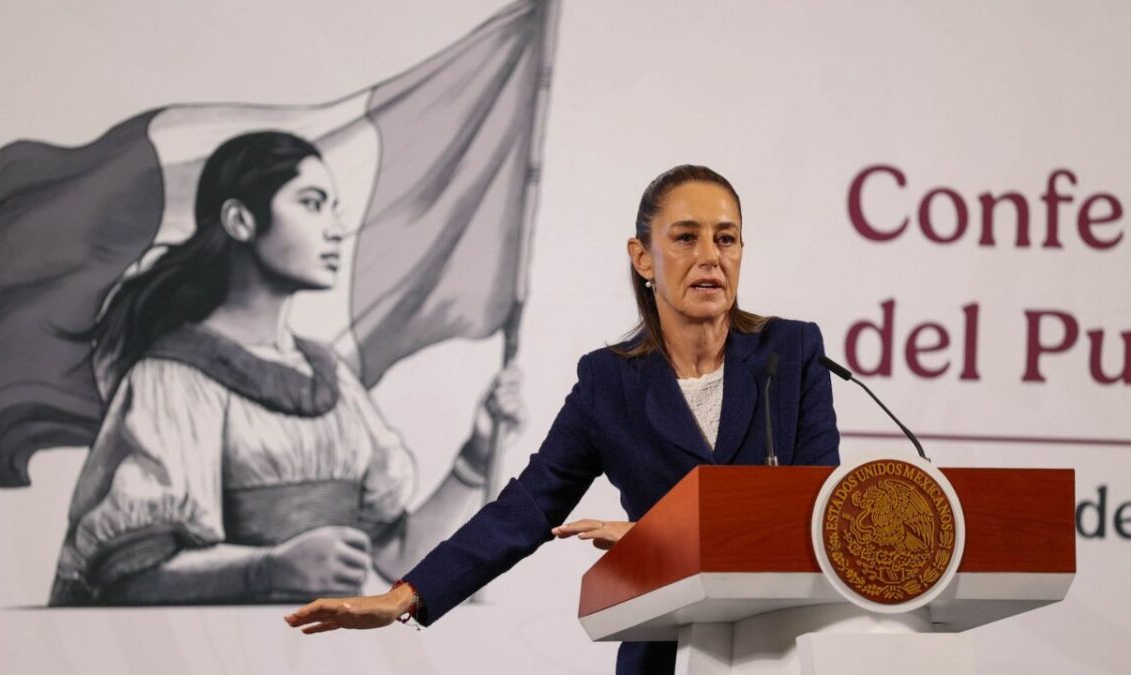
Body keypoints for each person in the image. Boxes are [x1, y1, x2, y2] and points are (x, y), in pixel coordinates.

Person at [284, 165, 840, 673]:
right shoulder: (610, 383)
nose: (710, 256)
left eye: (726, 238)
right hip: (666, 655)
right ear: (643, 257)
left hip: (782, 648)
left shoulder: (789, 353)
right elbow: (526, 507)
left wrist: (656, 541)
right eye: (686, 237)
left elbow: (817, 517)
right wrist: (404, 597)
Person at [48, 131, 522, 605]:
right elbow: (127, 578)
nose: (336, 228)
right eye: (313, 204)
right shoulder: (174, 377)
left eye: (333, 207)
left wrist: (475, 456)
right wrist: (268, 569)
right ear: (240, 220)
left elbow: (401, 559)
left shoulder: (330, 376)